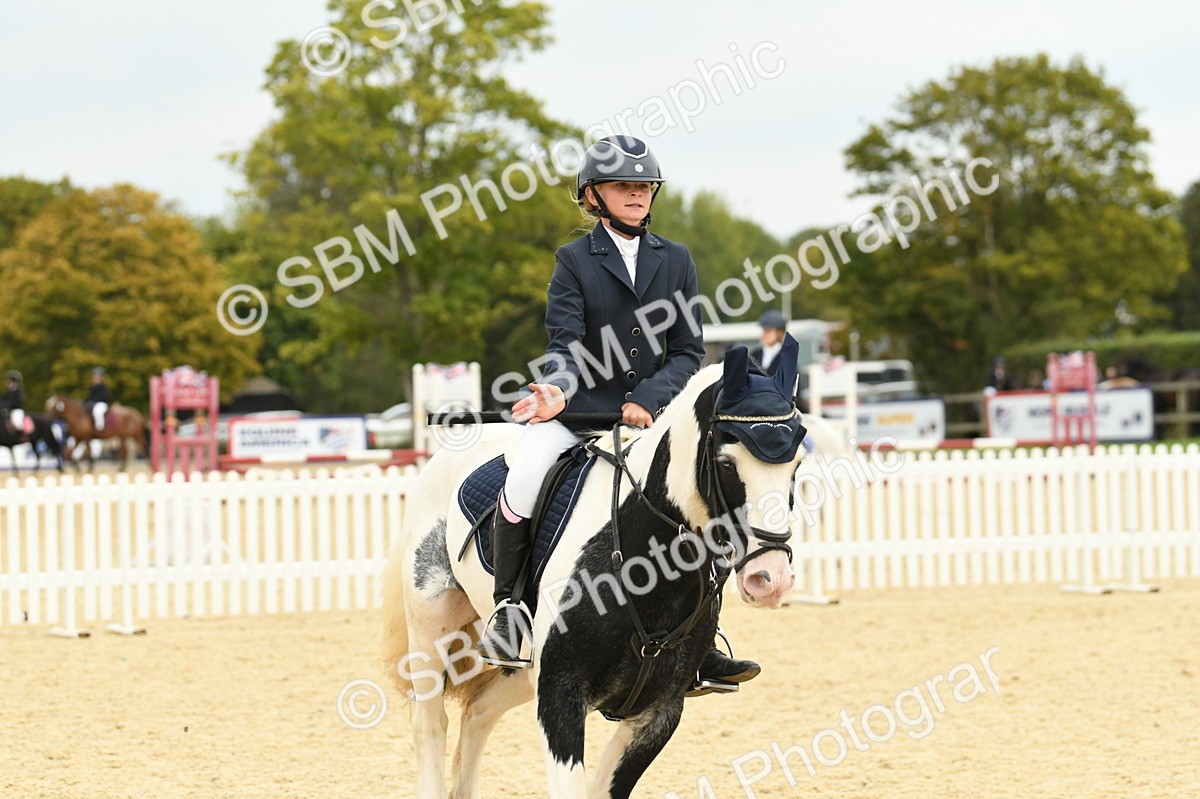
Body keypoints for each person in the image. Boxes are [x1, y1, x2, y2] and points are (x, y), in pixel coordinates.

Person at [476, 135, 761, 690]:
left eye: (644, 185)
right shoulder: (574, 261)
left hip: (652, 419)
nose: (636, 193)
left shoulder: (675, 259)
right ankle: (509, 610)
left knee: (707, 496)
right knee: (524, 481)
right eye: (623, 185)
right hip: (577, 415)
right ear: (593, 196)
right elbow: (564, 342)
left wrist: (647, 401)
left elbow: (686, 350)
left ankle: (703, 639)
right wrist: (557, 389)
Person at [749, 310, 788, 376]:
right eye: (764, 330)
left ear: (780, 332)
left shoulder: (787, 358)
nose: (764, 334)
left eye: (768, 331)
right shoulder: (754, 354)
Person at [85, 367, 112, 431]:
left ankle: (99, 429)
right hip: (93, 404)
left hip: (101, 404)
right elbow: (89, 397)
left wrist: (93, 402)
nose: (95, 378)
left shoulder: (102, 387)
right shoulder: (92, 387)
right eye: (94, 376)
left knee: (97, 412)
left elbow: (103, 398)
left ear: (100, 378)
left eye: (96, 376)